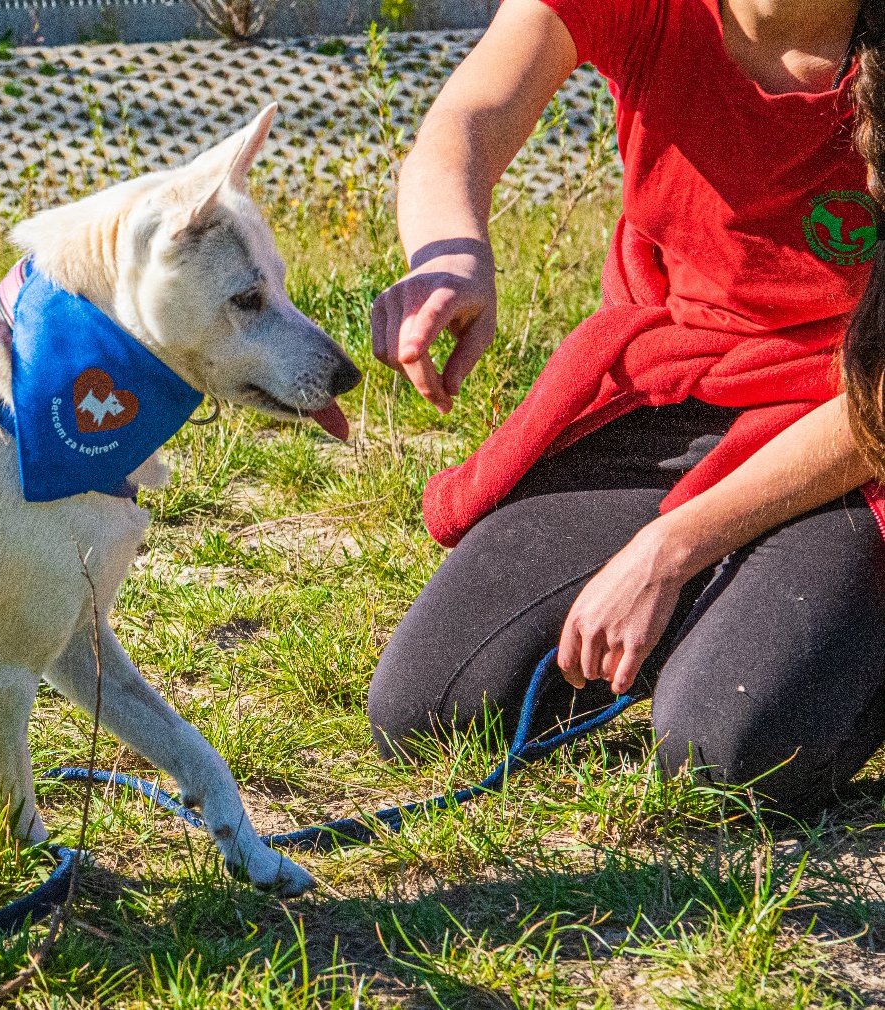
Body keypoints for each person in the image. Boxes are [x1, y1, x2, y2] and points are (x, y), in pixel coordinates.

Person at [365, 0, 885, 815]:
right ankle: (741, 626)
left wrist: (671, 550)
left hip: (849, 438)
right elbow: (469, 115)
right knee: (428, 714)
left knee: (726, 760)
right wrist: (450, 253)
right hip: (679, 384)